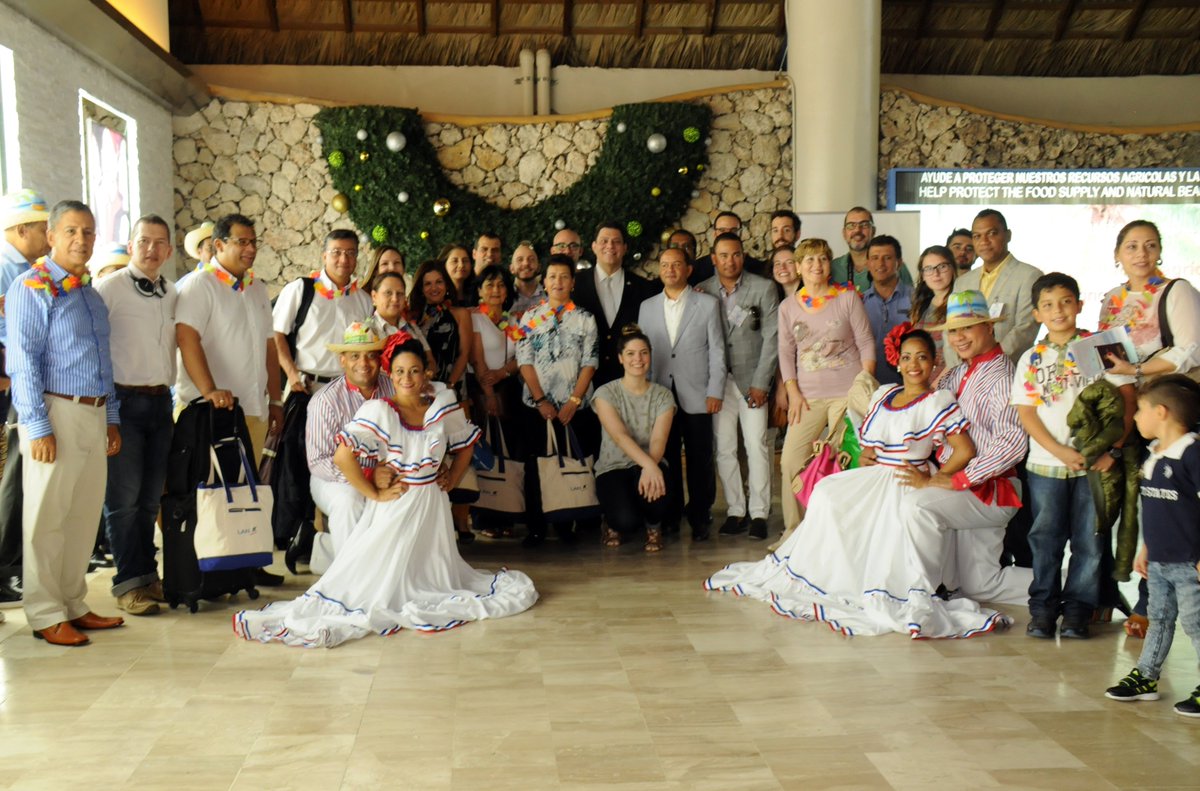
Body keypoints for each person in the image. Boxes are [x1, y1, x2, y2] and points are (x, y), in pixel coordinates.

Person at [234, 332, 538, 648]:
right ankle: (330, 554)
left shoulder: (441, 405)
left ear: (427, 373)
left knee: (430, 573)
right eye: (401, 372)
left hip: (432, 506)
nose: (408, 378)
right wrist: (374, 492)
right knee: (379, 578)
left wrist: (451, 478)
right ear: (390, 375)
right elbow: (340, 455)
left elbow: (465, 446)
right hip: (397, 503)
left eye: (415, 371)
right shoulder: (379, 410)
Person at [706, 328, 1008, 638]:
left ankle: (879, 586)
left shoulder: (937, 400)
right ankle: (827, 573)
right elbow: (870, 447)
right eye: (906, 357)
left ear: (933, 363)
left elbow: (965, 450)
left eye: (922, 357)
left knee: (887, 519)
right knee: (826, 492)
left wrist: (934, 478)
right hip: (876, 475)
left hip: (906, 478)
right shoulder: (885, 394)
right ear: (898, 362)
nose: (913, 364)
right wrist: (865, 457)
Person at [6, 200, 124, 646]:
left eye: (89, 232)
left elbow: (103, 361)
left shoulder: (89, 294)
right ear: (51, 236)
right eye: (72, 231)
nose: (81, 240)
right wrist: (37, 426)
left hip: (93, 412)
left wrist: (111, 417)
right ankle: (44, 612)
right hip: (55, 411)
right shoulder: (31, 287)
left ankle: (73, 602)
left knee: (82, 514)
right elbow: (23, 362)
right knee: (46, 517)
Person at [1013, 273, 1133, 640]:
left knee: (1091, 539)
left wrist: (1111, 449)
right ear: (1037, 314)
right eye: (1048, 305)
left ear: (1080, 305)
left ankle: (1079, 610)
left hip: (1096, 466)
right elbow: (1027, 413)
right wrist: (1060, 450)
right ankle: (1043, 610)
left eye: (1066, 302)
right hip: (1046, 465)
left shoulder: (1102, 347)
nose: (1058, 311)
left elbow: (1128, 400)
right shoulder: (1031, 358)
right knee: (1045, 539)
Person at [1097, 219, 1200, 638]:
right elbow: (1105, 355)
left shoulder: (1177, 290)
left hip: (1170, 410)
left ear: (1159, 251)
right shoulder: (1111, 299)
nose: (1141, 253)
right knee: (1130, 503)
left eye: (1150, 245)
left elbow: (1189, 350)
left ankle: (1150, 604)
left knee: (1173, 504)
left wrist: (1137, 369)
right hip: (1129, 411)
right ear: (1118, 253)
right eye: (1132, 246)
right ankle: (1112, 596)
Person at [901, 290, 1033, 605]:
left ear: (989, 328)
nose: (959, 337)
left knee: (917, 505)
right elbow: (927, 416)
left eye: (968, 328)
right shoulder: (958, 373)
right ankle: (1077, 588)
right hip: (971, 489)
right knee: (982, 585)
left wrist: (959, 478)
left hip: (989, 490)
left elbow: (1013, 443)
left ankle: (920, 595)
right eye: (954, 330)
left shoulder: (1002, 375)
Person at [174, 213, 285, 586]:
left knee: (243, 490)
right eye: (242, 242)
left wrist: (275, 400)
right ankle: (202, 573)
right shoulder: (199, 285)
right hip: (208, 412)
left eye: (254, 242)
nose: (250, 249)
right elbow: (187, 338)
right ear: (219, 245)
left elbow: (270, 347)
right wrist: (208, 390)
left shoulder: (256, 288)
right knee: (207, 494)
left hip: (250, 408)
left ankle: (244, 564)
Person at [94, 214, 177, 617]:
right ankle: (127, 584)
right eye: (144, 240)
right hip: (122, 405)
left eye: (159, 242)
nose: (151, 249)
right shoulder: (107, 289)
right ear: (131, 245)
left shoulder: (172, 293)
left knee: (149, 501)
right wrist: (107, 413)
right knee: (123, 502)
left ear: (169, 251)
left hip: (162, 404)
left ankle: (148, 576)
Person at [1104, 375, 1200, 719]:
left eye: (1140, 410)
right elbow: (1156, 511)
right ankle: (1146, 676)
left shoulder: (1192, 453)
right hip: (1159, 560)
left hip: (1190, 563)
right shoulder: (1154, 455)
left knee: (1196, 623)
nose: (1135, 418)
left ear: (1161, 412)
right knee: (1158, 619)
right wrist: (1146, 549)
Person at [777, 237, 875, 535]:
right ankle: (794, 533)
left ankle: (840, 534)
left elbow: (866, 342)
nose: (816, 265)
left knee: (842, 462)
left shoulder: (847, 299)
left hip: (846, 394)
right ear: (798, 267)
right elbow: (785, 352)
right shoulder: (787, 307)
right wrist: (792, 391)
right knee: (791, 461)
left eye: (821, 259)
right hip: (807, 397)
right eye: (809, 260)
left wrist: (863, 384)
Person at [637, 246, 725, 541]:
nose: (670, 269)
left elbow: (717, 349)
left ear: (688, 269)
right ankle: (671, 515)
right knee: (667, 456)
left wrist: (715, 389)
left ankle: (701, 516)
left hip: (699, 392)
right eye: (664, 265)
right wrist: (644, 394)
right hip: (661, 393)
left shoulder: (707, 304)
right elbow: (643, 353)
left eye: (676, 264)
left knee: (701, 457)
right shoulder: (647, 307)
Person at [698, 232, 779, 540]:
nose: (729, 260)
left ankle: (759, 512)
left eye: (735, 255)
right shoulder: (702, 291)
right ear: (714, 259)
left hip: (752, 382)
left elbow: (772, 338)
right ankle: (736, 510)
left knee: (756, 445)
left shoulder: (763, 288)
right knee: (724, 448)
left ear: (742, 257)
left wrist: (762, 383)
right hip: (718, 383)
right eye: (723, 255)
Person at [515, 255, 599, 548]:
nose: (558, 282)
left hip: (574, 407)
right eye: (552, 276)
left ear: (573, 283)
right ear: (544, 282)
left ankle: (566, 522)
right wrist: (540, 400)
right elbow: (524, 361)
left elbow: (590, 362)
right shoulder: (530, 317)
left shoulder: (585, 319)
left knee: (572, 462)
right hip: (536, 407)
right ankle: (536, 526)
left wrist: (574, 400)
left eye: (564, 277)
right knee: (537, 466)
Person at [305, 322, 394, 570]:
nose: (363, 363)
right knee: (350, 500)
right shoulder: (325, 400)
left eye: (371, 355)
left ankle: (395, 570)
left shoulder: (394, 387)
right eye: (355, 356)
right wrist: (366, 475)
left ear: (380, 358)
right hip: (333, 479)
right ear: (342, 360)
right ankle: (350, 575)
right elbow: (319, 461)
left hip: (386, 472)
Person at [0, 188, 51, 608]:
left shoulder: (26, 268)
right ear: (20, 230)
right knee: (13, 476)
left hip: (18, 381)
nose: (48, 237)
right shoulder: (7, 270)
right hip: (10, 382)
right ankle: (6, 568)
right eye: (42, 229)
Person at [593, 326, 676, 552]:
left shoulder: (663, 395)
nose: (637, 359)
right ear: (620, 358)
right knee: (625, 521)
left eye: (643, 353)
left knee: (656, 494)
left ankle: (653, 526)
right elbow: (620, 436)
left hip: (652, 461)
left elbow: (659, 440)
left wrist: (650, 467)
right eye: (630, 353)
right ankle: (610, 521)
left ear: (650, 355)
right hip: (614, 466)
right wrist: (649, 465)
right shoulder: (605, 393)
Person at [410, 259, 475, 542]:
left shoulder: (460, 313)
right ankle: (432, 519)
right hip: (420, 393)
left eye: (438, 282)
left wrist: (449, 388)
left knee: (458, 450)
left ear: (446, 285)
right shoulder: (412, 316)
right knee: (429, 452)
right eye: (427, 283)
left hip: (450, 390)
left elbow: (463, 354)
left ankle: (460, 519)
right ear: (420, 288)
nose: (433, 288)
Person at [273, 229, 374, 395]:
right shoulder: (300, 289)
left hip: (348, 389)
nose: (343, 259)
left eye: (350, 253)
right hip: (305, 387)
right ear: (324, 256)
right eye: (336, 252)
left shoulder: (364, 300)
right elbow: (276, 334)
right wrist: (292, 375)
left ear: (356, 258)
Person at [468, 265, 524, 539]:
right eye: (489, 285)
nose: (495, 290)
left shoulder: (512, 321)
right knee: (486, 450)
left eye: (501, 285)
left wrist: (503, 373)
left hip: (509, 390)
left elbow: (520, 357)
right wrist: (488, 393)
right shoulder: (474, 319)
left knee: (510, 451)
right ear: (479, 290)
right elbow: (476, 358)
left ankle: (508, 512)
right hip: (482, 391)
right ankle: (484, 515)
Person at [572, 222, 659, 387]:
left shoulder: (644, 288)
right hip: (584, 383)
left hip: (629, 382)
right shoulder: (575, 286)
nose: (610, 246)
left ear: (625, 248)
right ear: (594, 246)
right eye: (604, 241)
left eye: (616, 241)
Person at [954, 209, 1043, 360]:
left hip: (1007, 371)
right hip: (965, 374)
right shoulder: (963, 282)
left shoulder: (1029, 276)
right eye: (977, 236)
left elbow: (1024, 330)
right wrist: (961, 368)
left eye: (992, 233)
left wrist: (987, 365)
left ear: (1008, 235)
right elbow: (951, 330)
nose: (984, 241)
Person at [862, 235, 913, 386]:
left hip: (909, 384)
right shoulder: (858, 302)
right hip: (871, 386)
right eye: (875, 258)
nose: (880, 263)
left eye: (887, 258)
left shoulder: (916, 299)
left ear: (899, 263)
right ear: (867, 264)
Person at [830, 207, 913, 292]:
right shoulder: (832, 268)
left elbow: (912, 300)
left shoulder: (894, 265)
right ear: (844, 233)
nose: (857, 230)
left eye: (864, 225)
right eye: (851, 225)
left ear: (873, 231)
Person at [365, 270, 435, 369]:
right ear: (374, 297)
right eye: (388, 293)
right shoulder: (366, 330)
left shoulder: (412, 328)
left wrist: (425, 375)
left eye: (400, 293)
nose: (395, 299)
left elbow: (430, 362)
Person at [908, 244, 959, 377]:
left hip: (950, 378)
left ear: (953, 268)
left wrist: (935, 386)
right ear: (923, 275)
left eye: (942, 266)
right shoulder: (921, 305)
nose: (936, 274)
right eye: (929, 269)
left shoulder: (959, 304)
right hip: (922, 377)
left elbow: (958, 354)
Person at [691, 212, 766, 283]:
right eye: (722, 230)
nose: (728, 235)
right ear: (715, 234)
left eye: (734, 230)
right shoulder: (696, 269)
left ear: (741, 234)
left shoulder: (758, 268)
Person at [509, 241, 546, 317]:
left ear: (539, 267)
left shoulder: (550, 294)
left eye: (531, 259)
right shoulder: (503, 297)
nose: (526, 263)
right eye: (520, 260)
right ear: (511, 268)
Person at [440, 242, 475, 307]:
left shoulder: (477, 293)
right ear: (444, 265)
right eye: (455, 261)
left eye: (465, 261)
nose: (461, 265)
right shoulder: (438, 295)